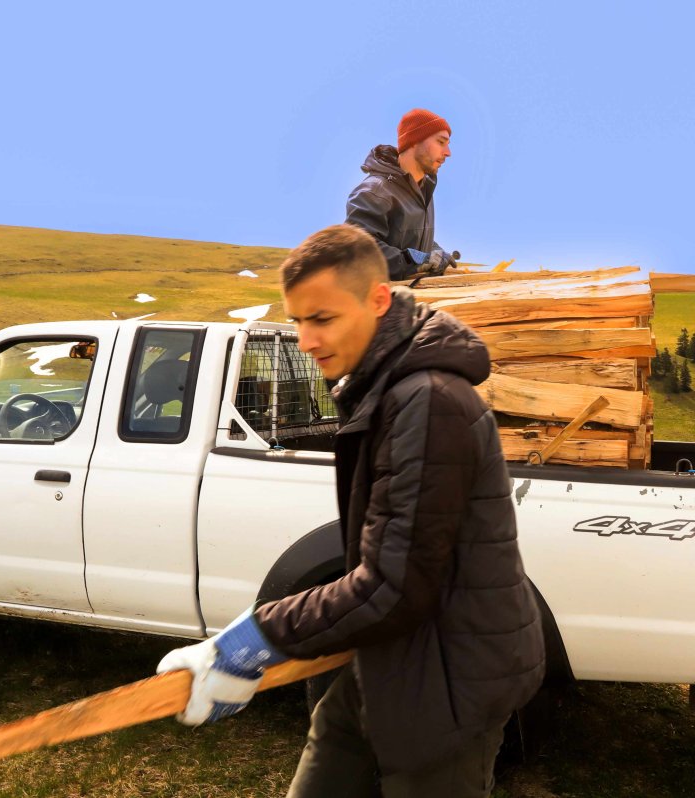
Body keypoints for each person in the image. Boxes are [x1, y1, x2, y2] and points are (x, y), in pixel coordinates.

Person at [157, 223, 545, 797]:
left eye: (323, 318)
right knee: (331, 748)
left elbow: (392, 587)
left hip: (451, 675)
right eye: (297, 321)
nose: (306, 340)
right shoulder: (385, 387)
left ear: (379, 300)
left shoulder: (428, 402)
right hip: (392, 654)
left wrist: (255, 638)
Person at [345, 108, 457, 280]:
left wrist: (435, 252)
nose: (448, 152)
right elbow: (360, 250)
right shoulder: (375, 191)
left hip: (415, 298)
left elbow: (409, 239)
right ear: (414, 141)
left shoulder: (424, 190)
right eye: (441, 142)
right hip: (379, 302)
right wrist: (417, 260)